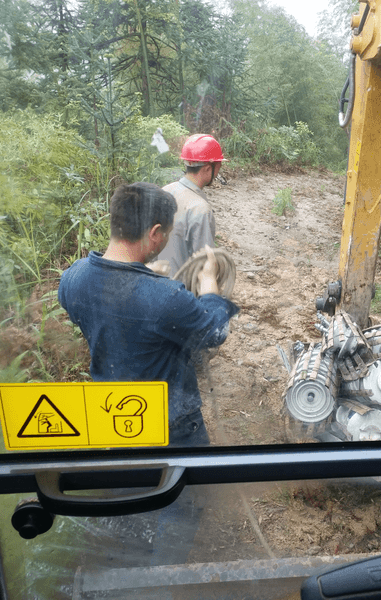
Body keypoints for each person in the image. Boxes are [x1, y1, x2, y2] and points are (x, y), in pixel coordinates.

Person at [58, 182, 239, 446]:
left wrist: (145, 276)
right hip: (170, 425)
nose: (165, 239)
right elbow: (214, 333)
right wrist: (209, 284)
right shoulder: (168, 298)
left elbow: (114, 303)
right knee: (186, 486)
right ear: (155, 233)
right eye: (166, 233)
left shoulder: (73, 278)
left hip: (110, 413)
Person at [157, 133, 227, 276]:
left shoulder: (164, 191)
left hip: (154, 283)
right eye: (219, 165)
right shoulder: (200, 209)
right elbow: (204, 264)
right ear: (208, 168)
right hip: (181, 292)